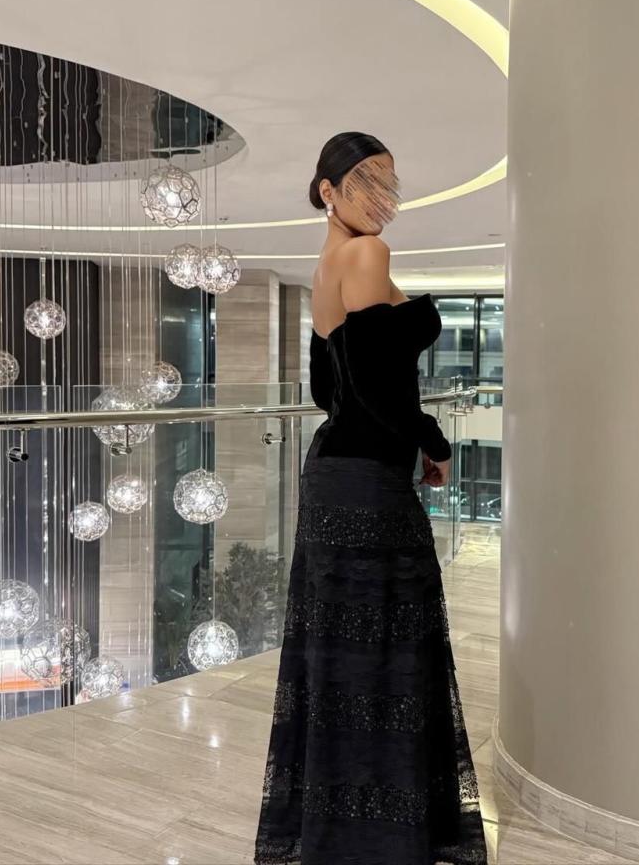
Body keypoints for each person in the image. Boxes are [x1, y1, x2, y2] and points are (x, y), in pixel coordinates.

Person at [253, 133, 488, 865]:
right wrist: (434, 443)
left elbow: (330, 389)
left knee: (341, 654)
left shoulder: (326, 265)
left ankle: (339, 830)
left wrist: (404, 438)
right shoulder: (367, 255)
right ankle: (387, 836)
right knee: (390, 647)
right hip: (367, 482)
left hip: (335, 474)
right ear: (327, 190)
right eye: (365, 183)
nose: (382, 199)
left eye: (388, 183)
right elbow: (374, 385)